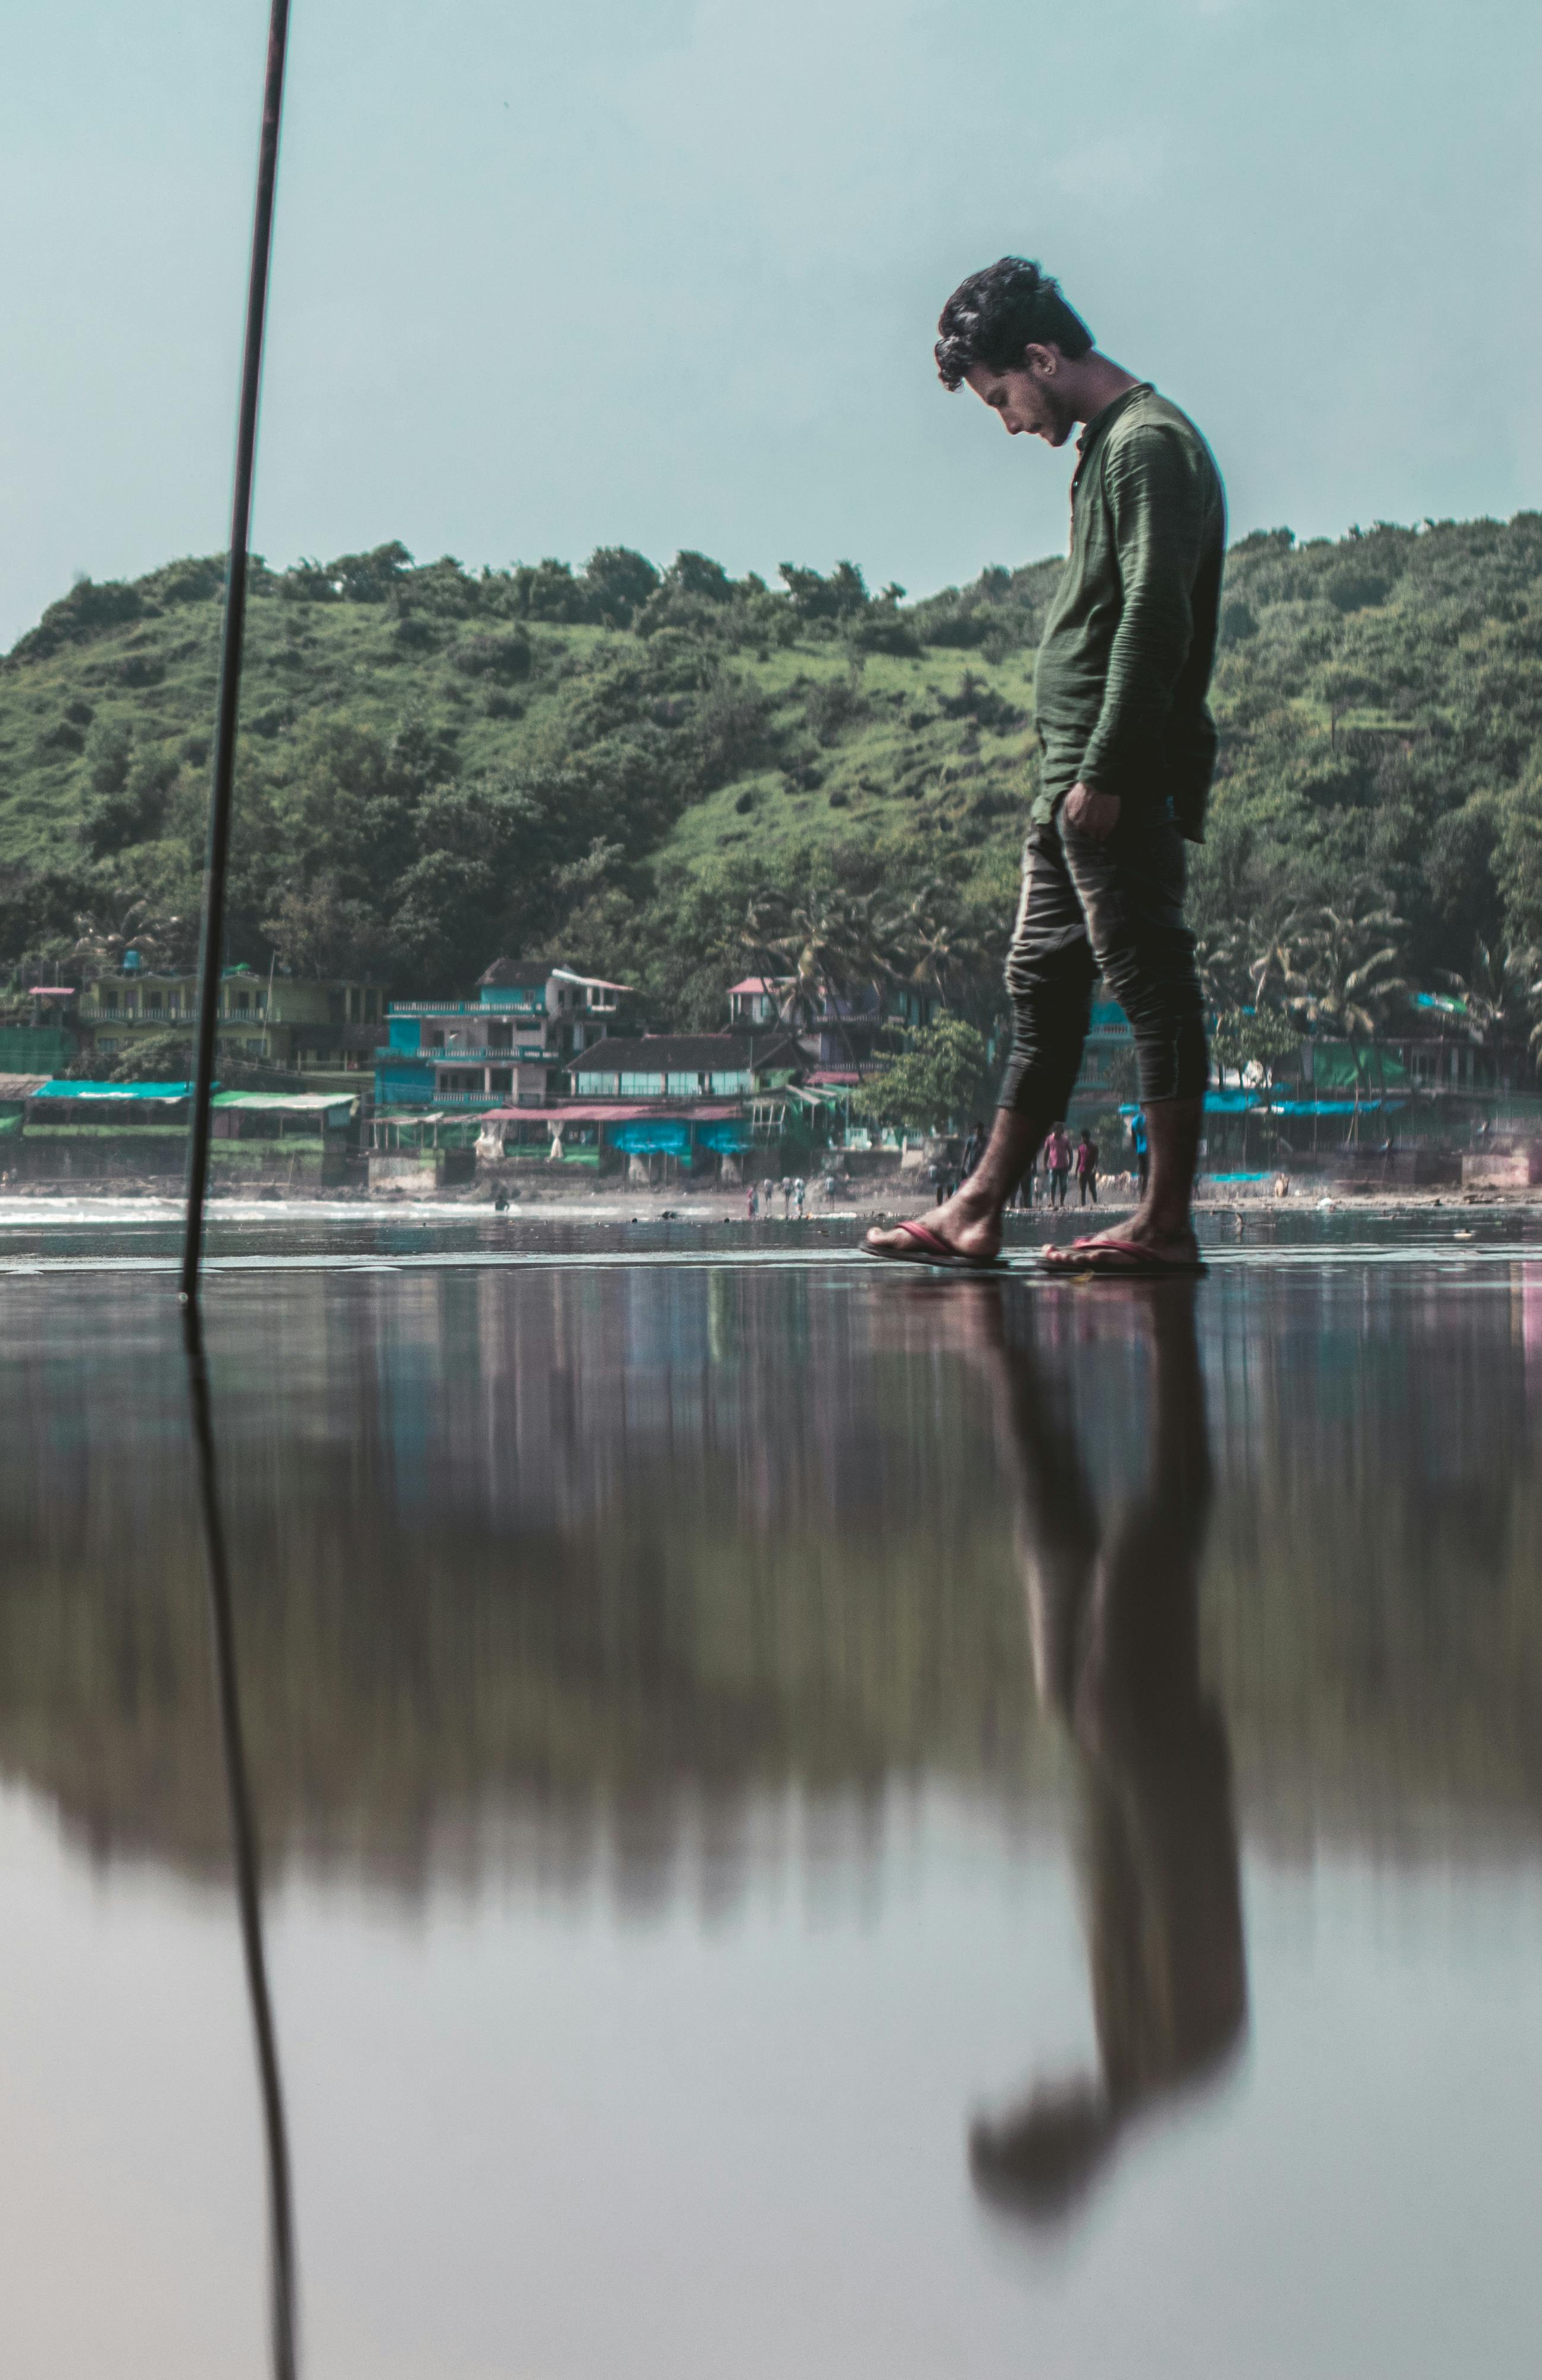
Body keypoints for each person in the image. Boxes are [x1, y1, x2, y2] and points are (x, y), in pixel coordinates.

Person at [864, 258, 1222, 1277]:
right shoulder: (1111, 446)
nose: (1011, 422)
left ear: (1040, 356)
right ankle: (978, 1206)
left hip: (1113, 771)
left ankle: (1162, 1222)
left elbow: (1158, 613)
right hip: (1070, 774)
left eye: (1003, 399)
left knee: (1150, 981)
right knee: (1042, 988)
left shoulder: (1147, 445)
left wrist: (1108, 766)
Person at [958, 1283, 1244, 2225]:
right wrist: (1112, 1736)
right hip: (1152, 1751)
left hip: (1123, 1752)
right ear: (1064, 2143)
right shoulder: (1176, 2057)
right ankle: (1168, 1342)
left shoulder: (1134, 2057)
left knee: (1062, 1559)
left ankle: (1009, 1363)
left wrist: (1086, 1734)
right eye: (1037, 2115)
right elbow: (1169, 1860)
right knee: (1145, 1553)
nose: (1039, 2087)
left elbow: (1107, 1869)